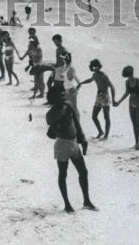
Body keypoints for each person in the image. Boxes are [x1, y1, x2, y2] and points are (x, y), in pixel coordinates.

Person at [45, 84, 96, 213]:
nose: (63, 97)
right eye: (60, 96)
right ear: (53, 98)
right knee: (63, 174)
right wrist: (58, 128)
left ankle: (87, 201)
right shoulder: (51, 114)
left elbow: (76, 123)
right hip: (62, 146)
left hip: (74, 144)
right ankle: (67, 204)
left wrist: (83, 139)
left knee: (83, 172)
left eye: (63, 95)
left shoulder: (68, 106)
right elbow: (50, 134)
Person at [113, 66, 139, 150]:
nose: (128, 77)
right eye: (127, 76)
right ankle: (137, 142)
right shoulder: (127, 82)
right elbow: (126, 93)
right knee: (134, 124)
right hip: (131, 104)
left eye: (128, 75)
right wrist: (119, 102)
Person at [79, 59, 116, 140]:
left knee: (106, 117)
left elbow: (112, 86)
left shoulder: (104, 75)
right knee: (94, 116)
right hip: (99, 97)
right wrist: (81, 83)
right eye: (94, 67)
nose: (95, 68)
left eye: (97, 66)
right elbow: (90, 80)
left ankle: (106, 135)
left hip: (105, 97)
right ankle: (100, 132)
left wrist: (113, 100)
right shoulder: (94, 75)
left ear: (99, 66)